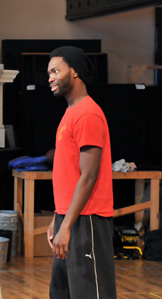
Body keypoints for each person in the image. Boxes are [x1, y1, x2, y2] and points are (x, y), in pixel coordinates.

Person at [46, 47, 117, 299]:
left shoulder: (87, 113)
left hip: (87, 220)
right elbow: (70, 174)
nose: (51, 78)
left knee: (90, 293)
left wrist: (66, 224)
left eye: (56, 70)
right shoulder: (71, 112)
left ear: (74, 71)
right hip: (69, 218)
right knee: (63, 293)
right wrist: (57, 219)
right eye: (49, 73)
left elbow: (89, 176)